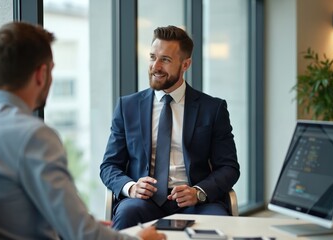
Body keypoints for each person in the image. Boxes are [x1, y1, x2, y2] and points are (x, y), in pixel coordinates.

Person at [0, 21, 166, 240]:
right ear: (42, 74)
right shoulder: (34, 137)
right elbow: (81, 234)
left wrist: (85, 224)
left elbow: (12, 209)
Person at [100, 25, 240, 230]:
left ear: (186, 64)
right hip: (142, 202)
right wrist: (131, 187)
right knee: (126, 215)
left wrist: (199, 192)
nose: (155, 66)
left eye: (165, 60)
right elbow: (109, 165)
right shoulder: (127, 107)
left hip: (196, 203)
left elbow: (229, 167)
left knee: (219, 225)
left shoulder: (213, 108)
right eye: (152, 57)